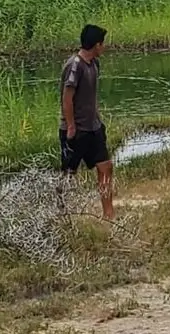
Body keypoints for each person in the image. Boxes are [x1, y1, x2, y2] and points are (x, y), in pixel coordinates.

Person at [59, 24, 115, 219]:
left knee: (106, 166)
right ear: (96, 45)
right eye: (103, 44)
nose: (104, 48)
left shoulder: (94, 64)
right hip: (77, 129)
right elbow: (67, 98)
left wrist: (98, 119)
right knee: (69, 174)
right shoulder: (75, 65)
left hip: (94, 127)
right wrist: (71, 126)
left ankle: (109, 214)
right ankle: (63, 214)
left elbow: (90, 97)